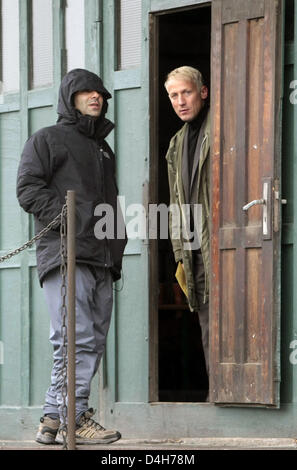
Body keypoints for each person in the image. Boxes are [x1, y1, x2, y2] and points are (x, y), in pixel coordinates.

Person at [16, 68, 127, 445]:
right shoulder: (47, 139)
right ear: (69, 97)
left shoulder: (102, 148)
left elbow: (108, 201)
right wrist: (70, 217)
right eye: (86, 92)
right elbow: (27, 188)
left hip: (101, 257)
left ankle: (52, 417)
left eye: (100, 92)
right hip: (66, 253)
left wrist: (116, 247)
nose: (96, 97)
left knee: (91, 340)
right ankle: (74, 416)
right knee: (74, 337)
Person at [164, 66, 210, 391]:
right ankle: (218, 395)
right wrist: (181, 253)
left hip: (224, 242)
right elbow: (174, 204)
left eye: (186, 92)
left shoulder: (221, 126)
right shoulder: (176, 144)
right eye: (174, 95)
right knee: (207, 325)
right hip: (195, 250)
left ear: (203, 92)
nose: (181, 101)